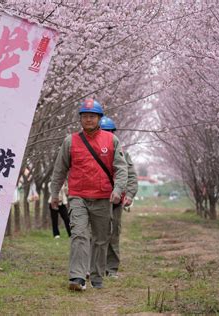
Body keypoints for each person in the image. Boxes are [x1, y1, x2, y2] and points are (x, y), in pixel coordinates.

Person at [50, 98, 128, 291]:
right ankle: (77, 277)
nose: (88, 120)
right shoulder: (70, 141)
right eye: (85, 116)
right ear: (80, 119)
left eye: (92, 116)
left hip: (103, 198)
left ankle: (96, 275)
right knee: (79, 235)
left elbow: (121, 168)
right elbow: (60, 170)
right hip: (78, 196)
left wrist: (118, 190)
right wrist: (54, 194)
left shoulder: (112, 141)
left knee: (101, 239)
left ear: (99, 118)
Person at [99, 115, 138, 278]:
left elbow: (131, 176)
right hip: (96, 199)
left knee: (113, 234)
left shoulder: (123, 153)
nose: (107, 135)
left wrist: (129, 194)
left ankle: (112, 268)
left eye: (110, 132)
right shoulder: (89, 152)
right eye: (104, 131)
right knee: (94, 234)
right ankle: (93, 267)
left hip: (116, 201)